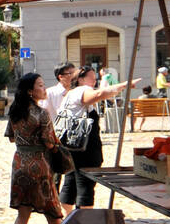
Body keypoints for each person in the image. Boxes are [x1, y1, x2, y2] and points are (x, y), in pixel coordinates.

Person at [5, 74, 71, 224]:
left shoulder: (14, 112)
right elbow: (50, 142)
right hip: (39, 166)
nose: (44, 89)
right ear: (30, 91)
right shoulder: (42, 114)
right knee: (53, 213)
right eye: (40, 86)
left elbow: (10, 138)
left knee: (23, 214)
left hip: (19, 165)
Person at [57, 66, 141, 214]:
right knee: (85, 183)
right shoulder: (83, 91)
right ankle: (83, 220)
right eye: (91, 77)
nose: (94, 79)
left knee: (70, 182)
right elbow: (101, 94)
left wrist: (111, 84)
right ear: (81, 79)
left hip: (70, 145)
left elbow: (101, 93)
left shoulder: (70, 94)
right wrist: (123, 85)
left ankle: (69, 218)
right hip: (85, 148)